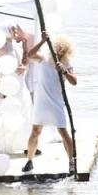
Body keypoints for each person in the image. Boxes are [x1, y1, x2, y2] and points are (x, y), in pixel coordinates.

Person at [21, 32, 76, 173]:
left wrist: (64, 71)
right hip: (41, 101)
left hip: (56, 101)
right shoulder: (44, 58)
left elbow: (74, 81)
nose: (60, 52)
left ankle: (71, 161)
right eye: (59, 49)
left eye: (63, 50)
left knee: (63, 132)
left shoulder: (66, 63)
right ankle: (29, 160)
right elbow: (30, 55)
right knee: (35, 131)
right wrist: (42, 41)